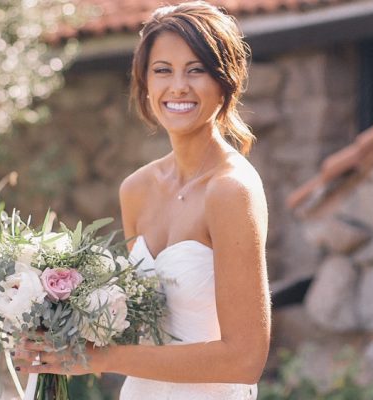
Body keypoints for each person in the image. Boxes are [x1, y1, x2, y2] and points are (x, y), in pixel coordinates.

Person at [14, 1, 271, 399]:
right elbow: (139, 323)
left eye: (196, 70)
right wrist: (52, 328)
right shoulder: (135, 189)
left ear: (225, 80)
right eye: (163, 70)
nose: (178, 86)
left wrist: (103, 359)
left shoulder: (231, 189)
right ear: (145, 83)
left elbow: (246, 359)